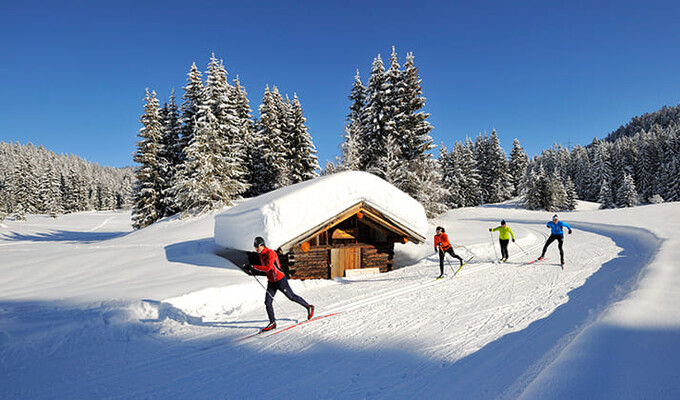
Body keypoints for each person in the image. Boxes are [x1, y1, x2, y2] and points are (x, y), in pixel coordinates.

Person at [244, 236, 315, 331]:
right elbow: (264, 269)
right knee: (267, 302)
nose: (256, 248)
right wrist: (250, 268)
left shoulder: (271, 253)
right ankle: (272, 322)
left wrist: (253, 267)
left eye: (257, 246)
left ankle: (309, 307)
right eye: (255, 246)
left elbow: (267, 268)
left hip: (280, 279)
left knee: (291, 297)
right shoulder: (261, 255)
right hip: (271, 281)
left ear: (262, 245)